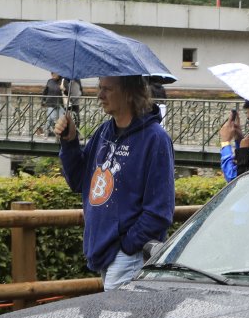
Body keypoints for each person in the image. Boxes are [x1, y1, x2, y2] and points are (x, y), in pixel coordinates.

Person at [57, 75, 175, 289]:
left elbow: (159, 210)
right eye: (99, 88)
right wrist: (70, 142)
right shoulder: (103, 132)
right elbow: (78, 181)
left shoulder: (155, 139)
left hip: (128, 256)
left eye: (107, 89)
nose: (100, 95)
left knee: (117, 311)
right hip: (104, 252)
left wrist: (127, 246)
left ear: (129, 93)